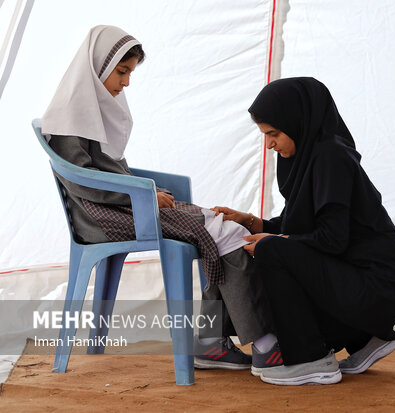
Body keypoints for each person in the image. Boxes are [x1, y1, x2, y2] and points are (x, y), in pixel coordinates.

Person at [40, 25, 279, 372]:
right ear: (97, 66)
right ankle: (261, 344)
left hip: (121, 205)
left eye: (129, 73)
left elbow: (109, 171)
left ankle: (216, 343)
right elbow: (83, 183)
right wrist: (146, 196)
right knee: (226, 234)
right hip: (102, 216)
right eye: (122, 72)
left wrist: (147, 192)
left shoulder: (89, 110)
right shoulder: (68, 116)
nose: (125, 83)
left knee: (223, 232)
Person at [212, 77, 395, 385]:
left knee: (270, 250)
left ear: (297, 121)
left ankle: (310, 358)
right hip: (351, 284)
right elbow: (301, 226)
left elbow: (331, 238)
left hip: (377, 289)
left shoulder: (332, 157)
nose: (269, 144)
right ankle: (364, 339)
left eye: (274, 133)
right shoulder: (309, 157)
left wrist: (274, 242)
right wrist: (251, 222)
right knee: (267, 245)